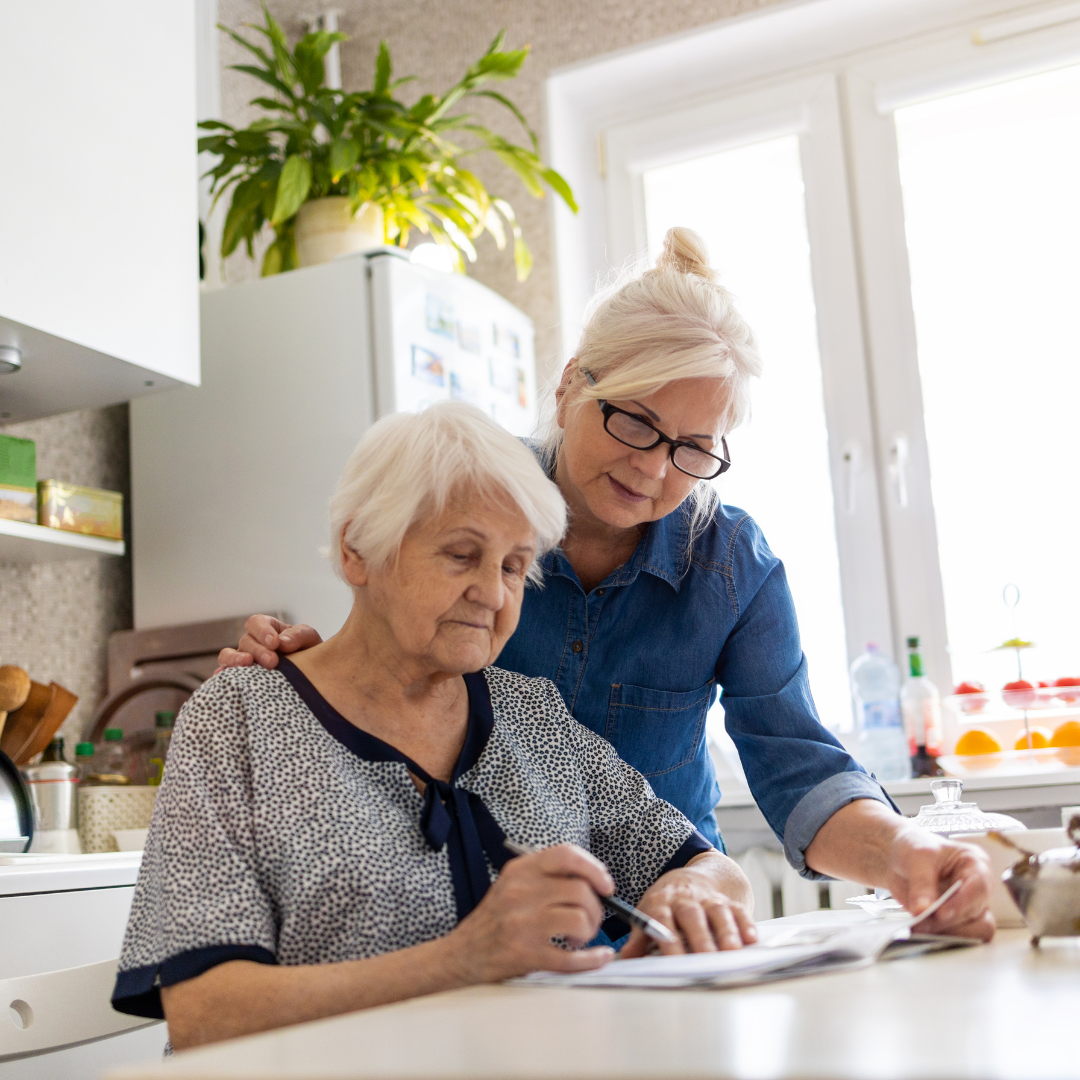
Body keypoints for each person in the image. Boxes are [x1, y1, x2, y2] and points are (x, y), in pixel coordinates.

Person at [222, 227, 994, 940]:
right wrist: (305, 678)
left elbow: (800, 767)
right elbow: (384, 671)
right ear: (569, 389)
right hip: (484, 938)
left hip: (666, 927)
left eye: (694, 447)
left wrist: (907, 856)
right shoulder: (473, 505)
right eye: (633, 421)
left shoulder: (730, 565)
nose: (653, 468)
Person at [112, 404, 755, 1050]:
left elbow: (707, 863)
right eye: (461, 555)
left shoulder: (532, 715)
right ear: (356, 549)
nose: (495, 594)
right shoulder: (237, 720)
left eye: (512, 565)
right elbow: (202, 1011)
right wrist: (464, 957)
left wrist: (692, 896)